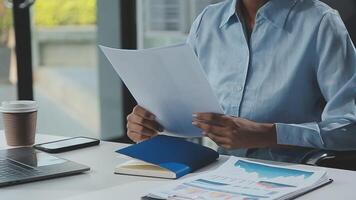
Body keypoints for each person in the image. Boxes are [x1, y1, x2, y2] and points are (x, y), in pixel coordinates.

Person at [126, 0, 356, 163]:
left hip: (295, 171)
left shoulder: (320, 23)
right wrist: (151, 125)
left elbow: (350, 127)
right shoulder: (207, 21)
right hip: (217, 170)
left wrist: (267, 134)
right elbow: (184, 112)